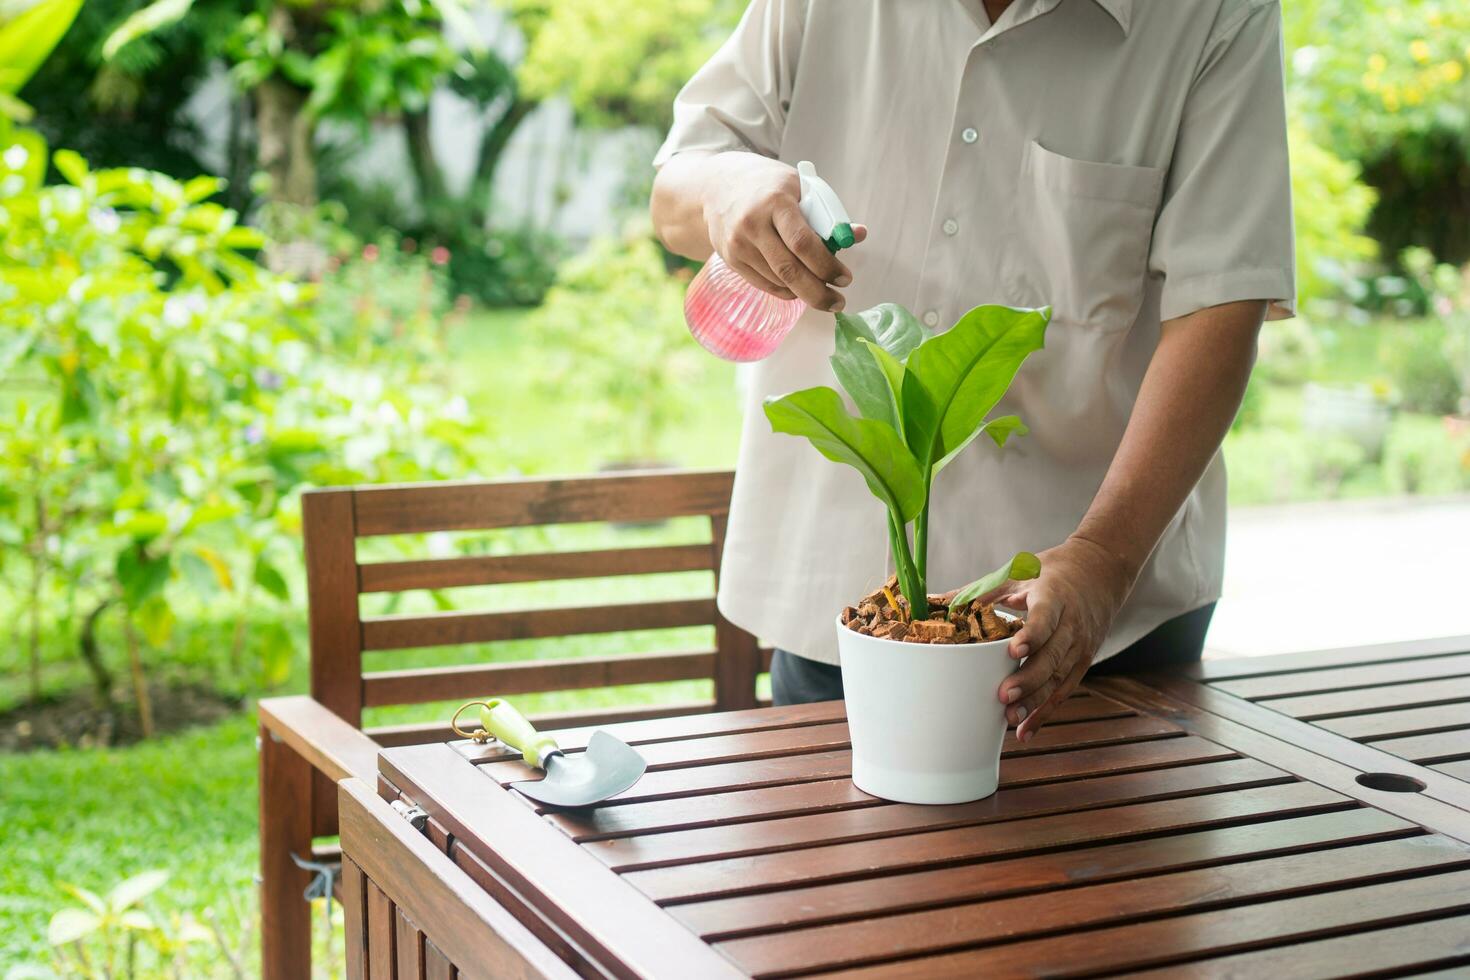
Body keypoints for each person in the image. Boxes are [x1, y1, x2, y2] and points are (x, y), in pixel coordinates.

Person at [650, 0, 1295, 740]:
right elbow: (677, 189)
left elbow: (1221, 304)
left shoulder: (1212, 13)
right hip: (836, 605)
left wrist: (1102, 560)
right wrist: (725, 188)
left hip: (1103, 630)